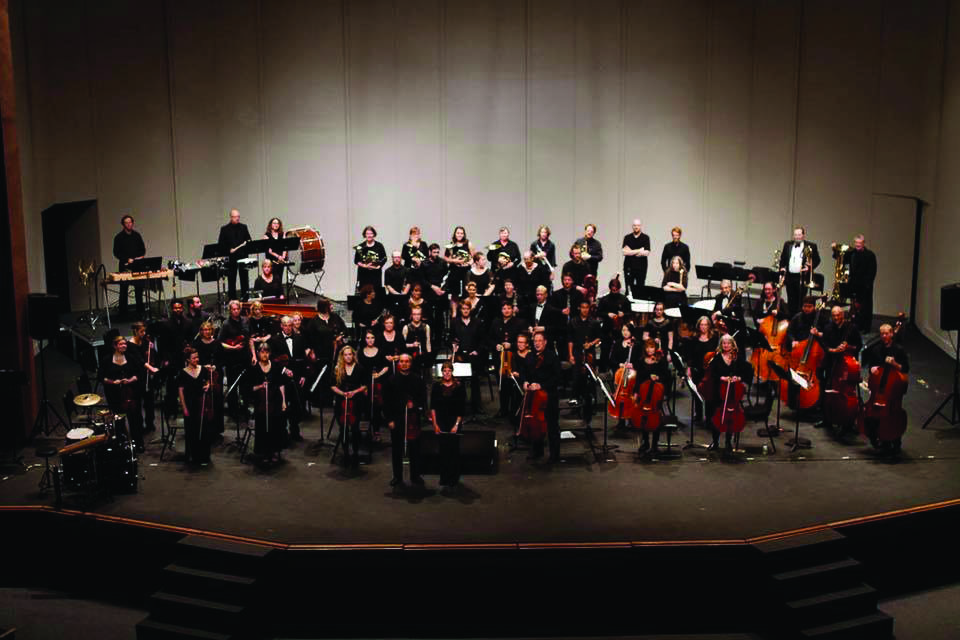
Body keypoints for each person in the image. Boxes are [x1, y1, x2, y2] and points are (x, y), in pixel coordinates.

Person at [862, 323, 910, 452]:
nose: (884, 336)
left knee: (891, 416)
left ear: (892, 334)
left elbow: (905, 368)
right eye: (882, 334)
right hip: (878, 390)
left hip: (892, 392)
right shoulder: (877, 349)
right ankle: (875, 437)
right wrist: (872, 369)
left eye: (886, 333)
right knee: (870, 415)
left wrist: (895, 364)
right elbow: (871, 365)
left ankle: (894, 440)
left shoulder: (899, 350)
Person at [815, 306, 862, 431]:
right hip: (831, 362)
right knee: (827, 390)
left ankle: (848, 421)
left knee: (845, 391)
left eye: (838, 315)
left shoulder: (852, 328)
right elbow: (824, 344)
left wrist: (849, 347)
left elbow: (858, 345)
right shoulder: (828, 327)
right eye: (834, 315)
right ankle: (827, 419)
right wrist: (833, 350)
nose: (836, 318)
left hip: (845, 365)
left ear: (843, 315)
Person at [705, 334, 753, 452]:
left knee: (731, 417)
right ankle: (715, 442)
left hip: (733, 393)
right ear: (721, 345)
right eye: (724, 343)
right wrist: (721, 378)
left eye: (728, 343)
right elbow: (711, 374)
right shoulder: (716, 358)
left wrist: (739, 378)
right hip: (718, 392)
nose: (726, 345)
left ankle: (728, 442)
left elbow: (748, 372)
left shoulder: (737, 358)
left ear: (733, 345)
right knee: (716, 416)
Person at [384, 353, 427, 487]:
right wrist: (389, 419)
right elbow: (386, 402)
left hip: (413, 419)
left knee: (415, 449)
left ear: (410, 363)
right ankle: (397, 476)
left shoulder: (417, 379)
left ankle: (415, 475)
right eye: (402, 361)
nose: (404, 364)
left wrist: (415, 405)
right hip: (397, 419)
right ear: (399, 363)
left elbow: (423, 399)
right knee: (397, 449)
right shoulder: (391, 380)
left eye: (407, 361)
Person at [269, 315, 311, 442]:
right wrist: (284, 370)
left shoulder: (299, 338)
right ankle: (282, 433)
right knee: (283, 405)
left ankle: (295, 431)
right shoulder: (275, 340)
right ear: (281, 326)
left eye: (290, 325)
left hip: (297, 377)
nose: (288, 327)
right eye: (285, 325)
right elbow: (273, 359)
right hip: (282, 379)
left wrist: (303, 375)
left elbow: (304, 358)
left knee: (296, 406)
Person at [101, 335, 145, 452]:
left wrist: (130, 380)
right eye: (121, 344)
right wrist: (113, 382)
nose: (124, 346)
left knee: (134, 419)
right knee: (119, 420)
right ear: (115, 346)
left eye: (125, 343)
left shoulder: (131, 358)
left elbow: (139, 374)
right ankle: (121, 443)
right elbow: (102, 377)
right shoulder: (107, 360)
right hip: (114, 394)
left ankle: (138, 442)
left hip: (131, 393)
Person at [245, 343, 286, 463]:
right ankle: (263, 452)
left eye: (267, 352)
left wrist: (283, 401)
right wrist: (260, 386)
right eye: (262, 352)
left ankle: (273, 451)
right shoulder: (253, 369)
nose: (264, 354)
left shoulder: (276, 366)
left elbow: (281, 385)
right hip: (260, 403)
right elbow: (249, 388)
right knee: (262, 427)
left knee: (275, 427)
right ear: (258, 353)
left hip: (275, 402)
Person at [524, 331, 562, 462]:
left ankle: (554, 455)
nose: (537, 343)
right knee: (535, 423)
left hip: (549, 395)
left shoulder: (552, 357)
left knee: (552, 426)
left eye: (539, 341)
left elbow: (557, 377)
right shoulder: (529, 356)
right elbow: (525, 373)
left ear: (545, 342)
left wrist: (541, 385)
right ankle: (537, 451)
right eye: (535, 341)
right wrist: (525, 381)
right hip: (534, 396)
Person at [330, 345, 368, 468]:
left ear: (353, 355)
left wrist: (354, 392)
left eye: (350, 354)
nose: (348, 357)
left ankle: (356, 452)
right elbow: (332, 385)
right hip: (341, 401)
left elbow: (365, 385)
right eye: (345, 355)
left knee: (355, 428)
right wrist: (342, 393)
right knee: (343, 428)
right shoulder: (337, 369)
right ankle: (345, 452)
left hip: (356, 401)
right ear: (342, 356)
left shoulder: (360, 368)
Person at [488, 300, 526, 419]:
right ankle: (503, 409)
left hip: (514, 358)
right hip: (499, 358)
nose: (506, 310)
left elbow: (523, 341)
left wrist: (512, 345)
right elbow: (489, 338)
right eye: (504, 308)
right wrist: (496, 345)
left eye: (509, 308)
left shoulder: (519, 323)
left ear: (512, 309)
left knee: (513, 383)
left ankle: (514, 410)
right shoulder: (495, 322)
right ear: (501, 310)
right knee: (502, 384)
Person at [431, 361, 467, 487]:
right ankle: (444, 477)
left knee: (453, 450)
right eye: (444, 371)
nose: (447, 373)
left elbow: (461, 408)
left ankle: (454, 478)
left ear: (452, 372)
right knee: (443, 450)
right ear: (441, 372)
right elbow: (433, 407)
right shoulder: (436, 386)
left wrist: (456, 425)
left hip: (454, 422)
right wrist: (435, 424)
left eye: (449, 371)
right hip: (441, 422)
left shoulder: (459, 386)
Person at [633, 338, 670, 454]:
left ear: (656, 348)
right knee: (643, 417)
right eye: (648, 347)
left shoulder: (661, 361)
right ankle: (646, 442)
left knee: (656, 417)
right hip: (643, 394)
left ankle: (655, 443)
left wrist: (658, 377)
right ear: (645, 348)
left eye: (652, 347)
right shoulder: (641, 361)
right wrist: (635, 392)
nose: (650, 350)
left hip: (656, 394)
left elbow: (667, 377)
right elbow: (638, 378)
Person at [177, 346, 213, 464]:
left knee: (205, 430)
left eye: (197, 357)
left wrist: (208, 385)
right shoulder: (182, 373)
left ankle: (204, 456)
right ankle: (193, 455)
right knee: (192, 431)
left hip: (202, 403)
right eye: (193, 358)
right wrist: (184, 408)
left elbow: (207, 381)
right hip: (190, 404)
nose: (196, 359)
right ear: (187, 360)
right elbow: (181, 391)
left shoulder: (203, 369)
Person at [568, 300, 602, 425]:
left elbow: (599, 337)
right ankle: (575, 401)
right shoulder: (573, 321)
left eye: (587, 307)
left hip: (589, 354)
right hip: (577, 352)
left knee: (590, 378)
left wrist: (591, 344)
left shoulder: (594, 322)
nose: (585, 310)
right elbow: (570, 339)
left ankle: (591, 403)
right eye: (583, 307)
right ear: (579, 308)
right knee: (576, 376)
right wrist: (570, 354)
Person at [835, 234, 877, 333]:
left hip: (865, 286)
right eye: (856, 243)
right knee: (855, 308)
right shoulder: (852, 253)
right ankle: (856, 326)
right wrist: (834, 249)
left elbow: (872, 271)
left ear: (864, 243)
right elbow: (840, 257)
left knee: (865, 308)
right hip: (854, 285)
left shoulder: (870, 255)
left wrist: (867, 285)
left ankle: (866, 328)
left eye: (860, 243)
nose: (858, 245)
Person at [451, 300, 485, 414]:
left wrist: (477, 351)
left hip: (474, 356)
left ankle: (476, 407)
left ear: (470, 310)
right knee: (459, 381)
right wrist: (453, 345)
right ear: (460, 310)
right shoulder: (455, 322)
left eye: (467, 309)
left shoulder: (478, 322)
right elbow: (449, 338)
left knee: (475, 381)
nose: (465, 311)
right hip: (460, 356)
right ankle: (461, 406)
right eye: (463, 309)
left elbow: (482, 340)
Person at [779, 226, 821, 317]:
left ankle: (799, 321)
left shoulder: (811, 246)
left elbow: (817, 260)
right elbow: (782, 259)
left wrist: (809, 268)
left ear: (803, 235)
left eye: (799, 234)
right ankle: (791, 321)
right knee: (791, 300)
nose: (797, 237)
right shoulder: (787, 244)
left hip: (802, 277)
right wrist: (782, 268)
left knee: (801, 301)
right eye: (795, 235)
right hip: (790, 277)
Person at [218, 300, 249, 420]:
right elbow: (220, 342)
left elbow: (249, 338)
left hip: (244, 358)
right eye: (233, 309)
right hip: (232, 360)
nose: (236, 311)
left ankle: (244, 409)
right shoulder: (226, 324)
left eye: (237, 309)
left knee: (245, 386)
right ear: (230, 310)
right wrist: (233, 347)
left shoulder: (245, 321)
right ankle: (233, 411)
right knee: (233, 385)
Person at [192, 321, 224, 436]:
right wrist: (202, 366)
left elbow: (223, 360)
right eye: (205, 330)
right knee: (204, 402)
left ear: (212, 331)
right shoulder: (196, 344)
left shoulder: (217, 343)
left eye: (209, 329)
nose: (207, 332)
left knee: (216, 401)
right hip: (201, 375)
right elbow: (192, 360)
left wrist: (216, 366)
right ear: (201, 331)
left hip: (215, 376)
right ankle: (205, 428)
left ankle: (217, 429)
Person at [683, 315, 717, 423]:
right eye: (701, 325)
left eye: (705, 324)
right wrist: (688, 369)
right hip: (696, 369)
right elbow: (690, 356)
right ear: (698, 326)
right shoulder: (694, 339)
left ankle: (709, 416)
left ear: (709, 326)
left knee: (708, 394)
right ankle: (698, 415)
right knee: (696, 392)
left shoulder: (714, 339)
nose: (703, 327)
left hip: (709, 371)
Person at [127, 321, 159, 434]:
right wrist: (151, 369)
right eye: (141, 331)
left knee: (149, 402)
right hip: (136, 377)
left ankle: (150, 423)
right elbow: (140, 361)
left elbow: (151, 355)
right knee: (137, 404)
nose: (144, 333)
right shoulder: (130, 345)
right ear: (135, 331)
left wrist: (152, 347)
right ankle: (139, 426)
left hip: (146, 376)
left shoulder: (145, 340)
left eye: (145, 331)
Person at [113, 214, 146, 319]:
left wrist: (138, 258)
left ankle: (140, 311)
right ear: (123, 224)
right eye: (126, 223)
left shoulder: (137, 235)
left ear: (133, 223)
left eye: (130, 222)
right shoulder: (119, 237)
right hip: (124, 266)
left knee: (139, 289)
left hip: (137, 266)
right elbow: (116, 252)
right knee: (124, 289)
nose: (129, 224)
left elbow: (142, 249)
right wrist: (126, 259)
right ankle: (123, 313)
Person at [359, 329, 390, 440]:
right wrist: (363, 386)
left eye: (372, 338)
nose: (370, 340)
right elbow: (358, 370)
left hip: (377, 384)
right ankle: (367, 430)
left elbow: (386, 366)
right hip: (365, 383)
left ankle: (376, 431)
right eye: (368, 338)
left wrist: (378, 375)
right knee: (366, 408)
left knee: (377, 408)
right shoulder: (360, 352)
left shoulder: (380, 351)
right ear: (364, 339)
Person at [597, 275, 631, 371]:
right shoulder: (604, 299)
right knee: (604, 352)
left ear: (619, 289)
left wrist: (624, 314)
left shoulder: (624, 299)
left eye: (616, 290)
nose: (614, 291)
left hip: (620, 331)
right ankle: (602, 372)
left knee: (619, 352)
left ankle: (617, 371)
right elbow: (598, 312)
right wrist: (607, 314)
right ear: (610, 288)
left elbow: (630, 312)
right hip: (607, 329)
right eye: (613, 290)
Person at [218, 209, 252, 301]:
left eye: (238, 216)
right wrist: (229, 250)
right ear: (231, 217)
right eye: (235, 217)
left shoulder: (244, 227)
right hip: (231, 258)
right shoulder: (224, 229)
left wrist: (247, 244)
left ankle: (245, 298)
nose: (237, 218)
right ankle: (232, 299)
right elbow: (221, 244)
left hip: (243, 257)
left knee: (244, 279)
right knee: (231, 280)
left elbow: (249, 240)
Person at [524, 285, 563, 352]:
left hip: (547, 342)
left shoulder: (552, 309)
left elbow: (557, 327)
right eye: (537, 295)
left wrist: (544, 328)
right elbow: (527, 320)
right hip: (533, 341)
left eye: (541, 295)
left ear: (546, 295)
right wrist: (529, 326)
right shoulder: (531, 307)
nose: (539, 297)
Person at [443, 226, 474, 304]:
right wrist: (454, 260)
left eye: (461, 233)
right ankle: (454, 314)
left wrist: (468, 263)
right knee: (454, 293)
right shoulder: (451, 245)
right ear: (455, 234)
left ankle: (465, 312)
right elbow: (445, 258)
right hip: (454, 271)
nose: (460, 235)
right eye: (458, 233)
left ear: (464, 234)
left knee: (466, 292)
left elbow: (474, 257)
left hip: (466, 271)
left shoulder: (468, 243)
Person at [622, 219, 651, 299]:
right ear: (632, 226)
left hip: (641, 268)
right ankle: (628, 309)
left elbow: (646, 253)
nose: (636, 227)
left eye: (638, 225)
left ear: (640, 226)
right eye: (634, 225)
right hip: (628, 267)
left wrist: (631, 251)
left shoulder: (645, 238)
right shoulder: (627, 237)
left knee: (640, 289)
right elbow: (624, 252)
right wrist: (639, 250)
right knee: (628, 289)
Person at [353, 225, 387, 293]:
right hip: (364, 275)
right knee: (364, 293)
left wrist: (378, 266)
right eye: (367, 233)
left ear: (374, 234)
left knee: (376, 293)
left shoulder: (379, 246)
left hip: (375, 275)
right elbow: (356, 261)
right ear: (364, 235)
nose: (369, 235)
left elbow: (384, 258)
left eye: (371, 233)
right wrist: (365, 266)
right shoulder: (360, 246)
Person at [402, 305, 433, 376]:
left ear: (421, 315)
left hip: (423, 354)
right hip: (410, 356)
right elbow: (402, 345)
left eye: (418, 314)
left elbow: (428, 342)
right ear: (411, 315)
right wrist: (412, 345)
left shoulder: (426, 327)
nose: (416, 316)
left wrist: (429, 355)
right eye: (414, 314)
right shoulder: (406, 327)